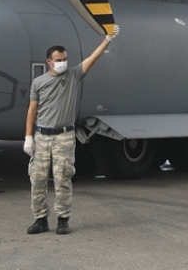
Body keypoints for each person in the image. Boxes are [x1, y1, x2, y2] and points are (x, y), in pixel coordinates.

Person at [24, 29, 118, 236]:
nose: (63, 63)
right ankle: (40, 219)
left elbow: (93, 59)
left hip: (64, 136)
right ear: (49, 62)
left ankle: (63, 219)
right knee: (37, 179)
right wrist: (28, 137)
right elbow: (32, 110)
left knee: (63, 178)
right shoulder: (39, 83)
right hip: (42, 136)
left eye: (65, 59)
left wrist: (107, 40)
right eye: (59, 60)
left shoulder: (73, 75)